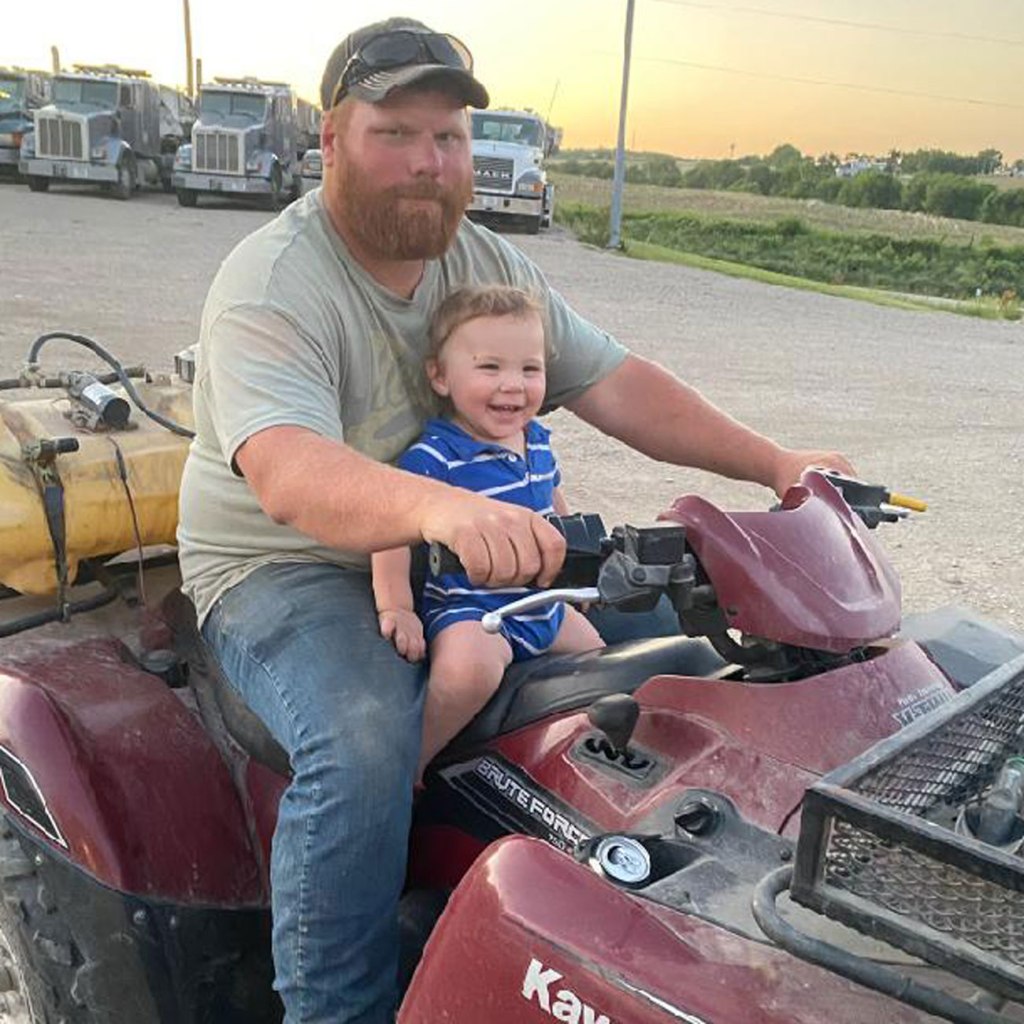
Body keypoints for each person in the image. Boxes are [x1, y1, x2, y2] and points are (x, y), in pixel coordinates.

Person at [177, 15, 854, 1024]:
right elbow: (287, 474)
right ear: (330, 140)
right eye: (394, 133)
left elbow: (616, 382)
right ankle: (336, 1004)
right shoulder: (275, 282)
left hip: (471, 546)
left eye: (447, 138)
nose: (428, 162)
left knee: (685, 662)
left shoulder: (486, 263)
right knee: (362, 738)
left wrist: (775, 462)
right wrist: (444, 509)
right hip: (288, 568)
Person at [372, 285, 605, 774]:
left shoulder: (536, 441)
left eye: (530, 369)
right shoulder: (437, 456)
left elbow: (551, 506)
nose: (513, 385)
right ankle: (413, 764)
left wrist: (571, 569)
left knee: (600, 665)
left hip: (541, 605)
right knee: (468, 674)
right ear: (440, 376)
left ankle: (557, 764)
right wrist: (397, 606)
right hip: (472, 606)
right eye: (490, 367)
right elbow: (390, 527)